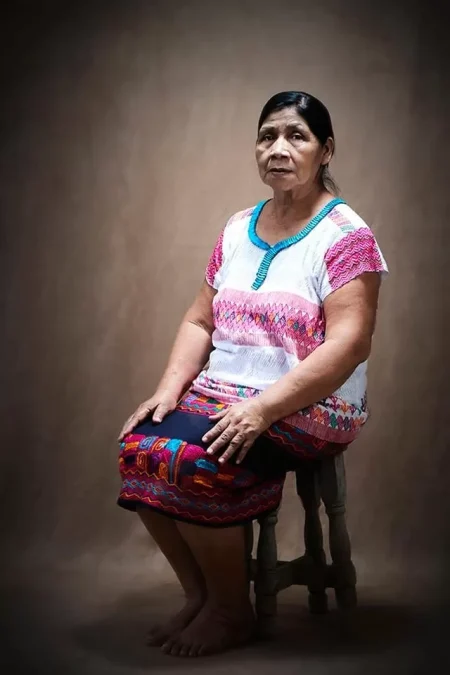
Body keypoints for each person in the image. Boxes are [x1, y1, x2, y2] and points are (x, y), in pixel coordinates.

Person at [117, 90, 388, 658]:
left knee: (193, 460)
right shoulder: (238, 227)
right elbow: (200, 320)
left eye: (296, 136)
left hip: (312, 404)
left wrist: (263, 409)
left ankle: (230, 611)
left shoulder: (346, 236)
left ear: (326, 150)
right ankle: (199, 595)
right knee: (139, 447)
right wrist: (168, 390)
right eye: (268, 136)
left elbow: (350, 344)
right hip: (224, 393)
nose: (278, 149)